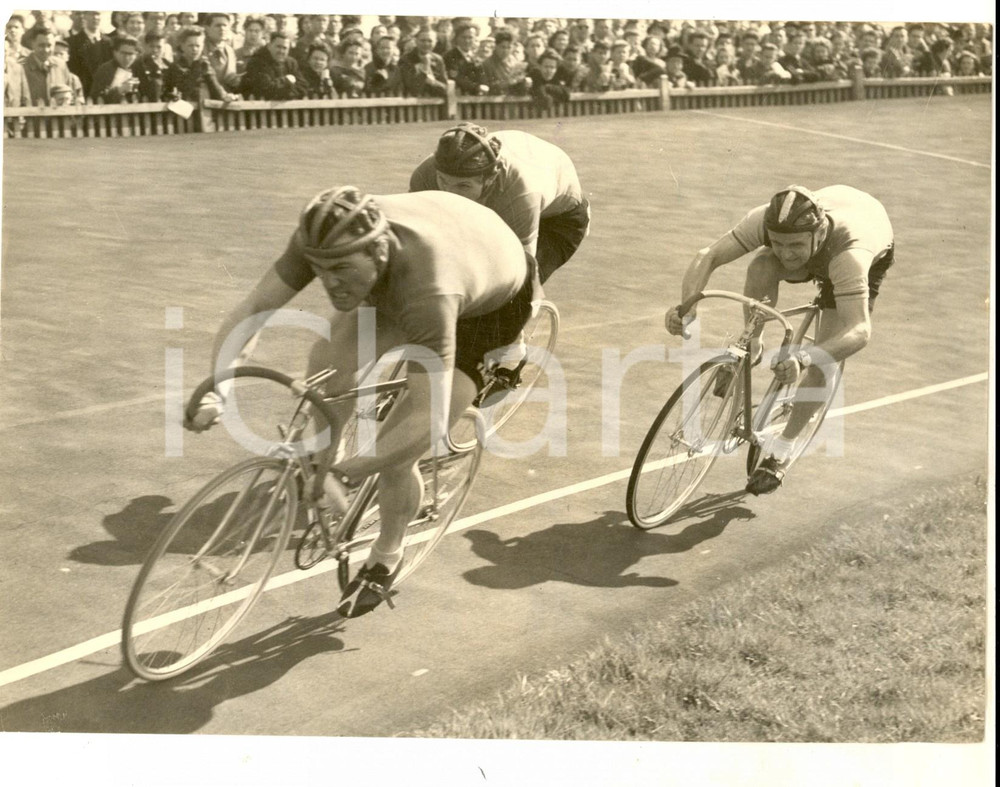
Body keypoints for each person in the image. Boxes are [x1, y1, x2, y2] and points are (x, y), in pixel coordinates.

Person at [186, 186, 538, 617]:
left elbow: (426, 419)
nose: (328, 283)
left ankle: (386, 556)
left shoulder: (428, 289)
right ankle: (322, 466)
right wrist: (218, 389)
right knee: (327, 366)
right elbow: (256, 307)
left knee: (393, 455)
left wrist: (352, 472)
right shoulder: (326, 238)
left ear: (378, 250)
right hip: (430, 256)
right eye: (318, 270)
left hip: (486, 308)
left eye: (339, 270)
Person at [665, 185, 894, 495]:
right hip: (828, 234)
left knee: (823, 360)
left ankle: (782, 450)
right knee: (762, 264)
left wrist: (804, 357)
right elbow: (709, 255)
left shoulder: (849, 256)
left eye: (795, 245)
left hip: (857, 244)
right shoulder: (765, 220)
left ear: (818, 232)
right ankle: (753, 344)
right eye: (778, 243)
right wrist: (686, 308)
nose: (786, 254)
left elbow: (859, 331)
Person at [409, 123, 589, 283]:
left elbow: (520, 267)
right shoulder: (426, 173)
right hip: (498, 202)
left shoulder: (521, 191)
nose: (449, 193)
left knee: (509, 292)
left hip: (556, 220)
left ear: (489, 178)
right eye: (443, 181)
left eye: (463, 185)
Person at [241, 31, 306, 100]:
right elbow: (266, 89)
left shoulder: (291, 63)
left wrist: (285, 92)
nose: (281, 51)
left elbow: (303, 87)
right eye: (278, 47)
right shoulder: (257, 62)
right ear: (269, 46)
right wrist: (287, 81)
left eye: (285, 48)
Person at [89, 33, 140, 103]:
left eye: (130, 54)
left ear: (136, 55)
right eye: (123, 53)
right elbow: (95, 97)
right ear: (115, 52)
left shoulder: (139, 69)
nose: (127, 58)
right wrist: (119, 90)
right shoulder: (105, 70)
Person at [399, 26, 447, 97]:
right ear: (416, 41)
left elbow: (445, 87)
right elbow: (413, 88)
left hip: (435, 102)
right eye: (423, 40)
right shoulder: (406, 59)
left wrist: (432, 82)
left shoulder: (438, 59)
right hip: (412, 103)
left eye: (430, 41)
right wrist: (425, 69)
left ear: (435, 42)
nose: (426, 44)